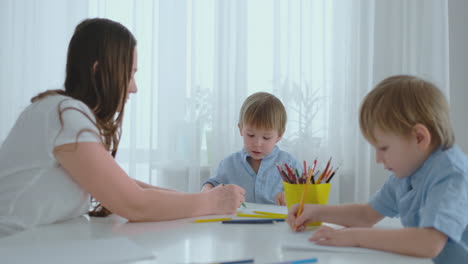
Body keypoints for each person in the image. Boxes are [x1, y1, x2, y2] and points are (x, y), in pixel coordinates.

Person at [0, 18, 245, 237]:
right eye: (130, 74)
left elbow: (125, 185)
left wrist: (200, 198)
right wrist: (212, 203)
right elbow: (133, 203)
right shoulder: (66, 115)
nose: (134, 87)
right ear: (98, 71)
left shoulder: (61, 111)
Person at [286, 75, 468, 263]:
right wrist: (315, 211)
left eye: (384, 148)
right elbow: (367, 214)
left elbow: (429, 243)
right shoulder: (408, 171)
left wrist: (353, 237)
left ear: (419, 138)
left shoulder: (452, 174)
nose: (378, 159)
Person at [201, 92, 301, 205]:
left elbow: (307, 196)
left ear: (279, 136)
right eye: (250, 135)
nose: (257, 143)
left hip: (278, 221)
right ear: (241, 129)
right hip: (239, 221)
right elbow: (212, 184)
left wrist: (292, 197)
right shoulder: (229, 164)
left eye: (266, 137)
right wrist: (207, 191)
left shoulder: (290, 164)